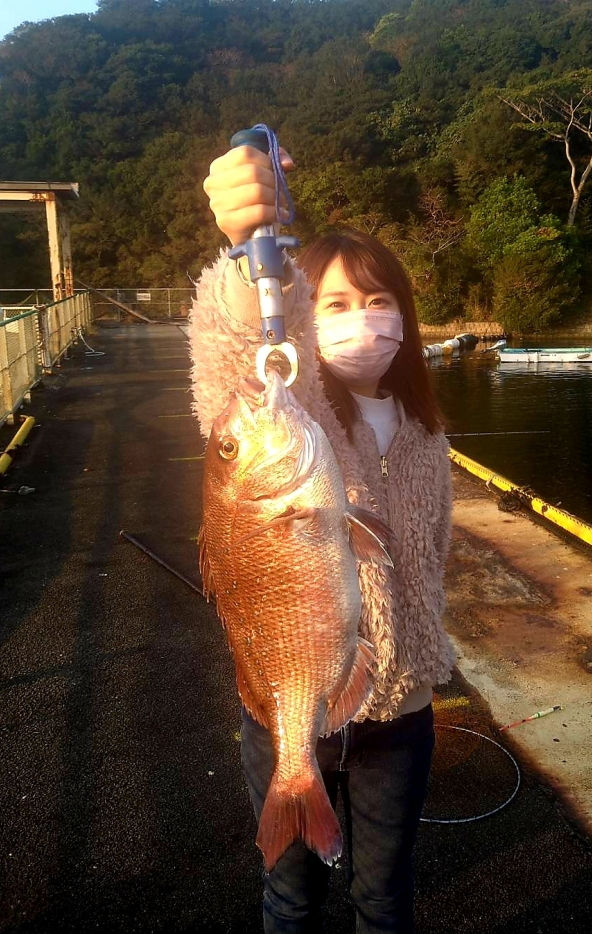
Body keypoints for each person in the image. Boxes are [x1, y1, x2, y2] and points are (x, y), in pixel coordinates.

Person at [189, 139, 456, 934]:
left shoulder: (428, 432)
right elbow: (236, 352)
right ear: (304, 318)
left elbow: (429, 562)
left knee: (386, 898)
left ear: (405, 317)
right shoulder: (298, 406)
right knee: (291, 899)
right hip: (289, 708)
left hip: (401, 709)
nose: (363, 320)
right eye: (334, 304)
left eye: (379, 301)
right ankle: (293, 782)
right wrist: (250, 251)